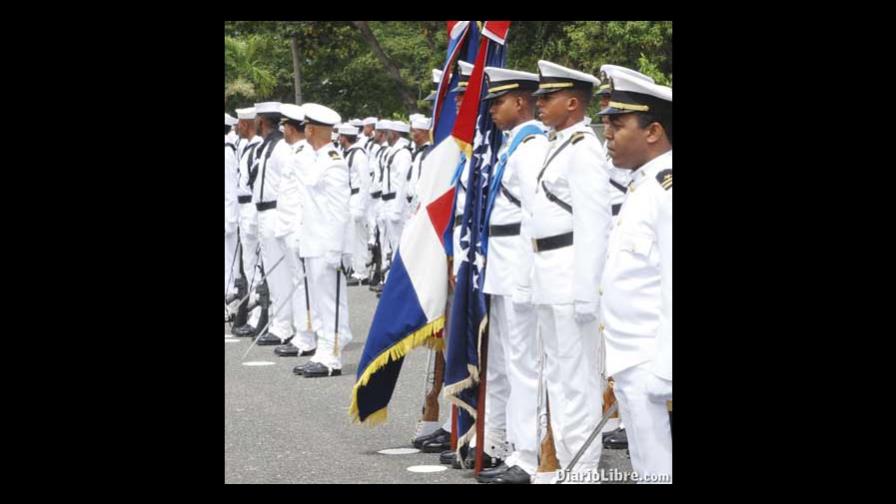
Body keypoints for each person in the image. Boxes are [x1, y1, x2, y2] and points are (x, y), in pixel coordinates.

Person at [529, 60, 612, 480]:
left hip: (570, 276)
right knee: (557, 377)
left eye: (548, 97)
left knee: (577, 379)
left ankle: (583, 469)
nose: (539, 103)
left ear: (573, 102)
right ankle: (562, 460)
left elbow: (594, 225)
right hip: (548, 273)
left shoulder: (584, 150)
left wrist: (586, 292)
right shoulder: (557, 143)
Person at [597, 66, 673, 483]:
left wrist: (667, 371)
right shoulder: (642, 186)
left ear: (653, 131)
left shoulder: (666, 190)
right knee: (647, 468)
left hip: (654, 364)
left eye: (617, 122)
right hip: (632, 359)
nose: (607, 132)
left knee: (661, 469)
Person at [475, 67, 549, 485]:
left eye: (497, 102)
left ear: (520, 102)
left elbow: (534, 218)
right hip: (502, 268)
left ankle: (530, 453)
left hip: (519, 269)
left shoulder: (533, 146)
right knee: (508, 360)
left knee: (526, 364)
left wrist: (526, 276)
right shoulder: (513, 146)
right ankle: (512, 446)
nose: (492, 111)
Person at [293, 103, 353, 378]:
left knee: (331, 303)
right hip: (312, 242)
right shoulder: (316, 159)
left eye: (306, 125)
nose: (304, 129)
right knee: (318, 302)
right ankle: (322, 349)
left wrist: (335, 249)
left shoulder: (334, 163)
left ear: (313, 129)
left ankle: (333, 357)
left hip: (327, 245)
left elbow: (340, 211)